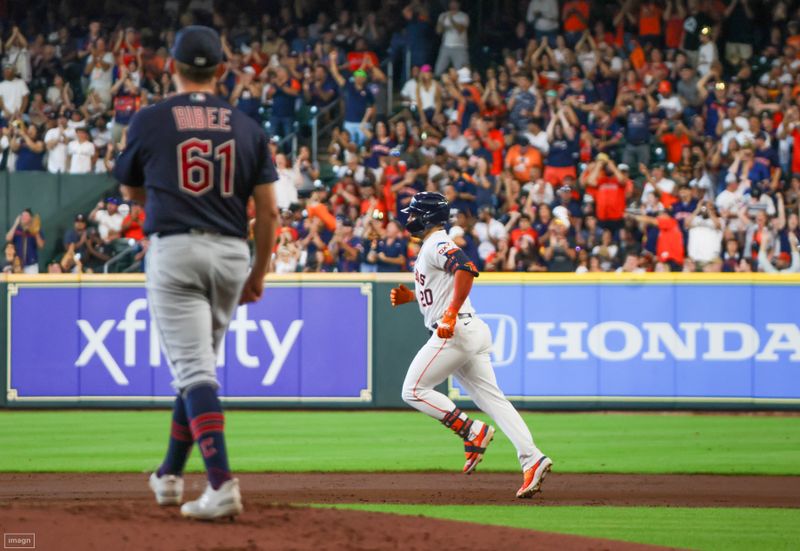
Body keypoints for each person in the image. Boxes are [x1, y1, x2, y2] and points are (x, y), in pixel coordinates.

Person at [113, 25, 279, 521]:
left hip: (177, 249)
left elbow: (129, 191)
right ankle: (168, 476)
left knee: (193, 371)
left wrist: (169, 194)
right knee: (197, 368)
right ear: (222, 72)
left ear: (172, 67)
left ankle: (222, 484)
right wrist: (258, 272)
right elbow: (268, 213)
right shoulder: (248, 126)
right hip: (231, 253)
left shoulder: (150, 118)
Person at [390, 191, 552, 498]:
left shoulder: (436, 242)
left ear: (426, 217)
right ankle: (533, 458)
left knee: (412, 390)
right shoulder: (431, 245)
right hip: (470, 328)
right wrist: (412, 298)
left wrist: (449, 314)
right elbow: (442, 287)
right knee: (494, 400)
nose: (408, 218)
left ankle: (471, 430)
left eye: (413, 214)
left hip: (455, 331)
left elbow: (465, 268)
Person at [434, 1, 470, 75]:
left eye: (455, 3)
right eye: (451, 3)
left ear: (458, 4)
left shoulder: (463, 16)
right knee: (438, 70)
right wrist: (442, 21)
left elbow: (460, 30)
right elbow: (438, 31)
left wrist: (451, 19)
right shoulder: (443, 15)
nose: (453, 5)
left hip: (459, 47)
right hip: (445, 46)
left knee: (462, 71)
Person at [5, 209, 45, 274]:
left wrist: (36, 232)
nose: (23, 217)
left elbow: (41, 245)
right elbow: (8, 238)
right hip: (17, 265)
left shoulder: (35, 229)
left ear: (31, 218)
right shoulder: (17, 229)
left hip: (31, 265)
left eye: (26, 215)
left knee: (31, 284)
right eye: (22, 215)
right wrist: (15, 224)